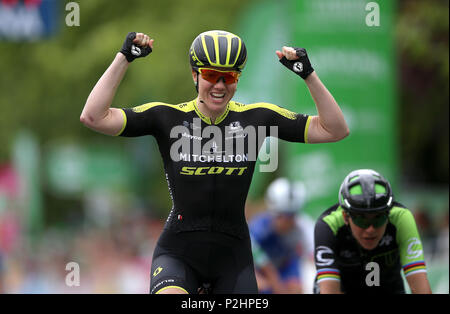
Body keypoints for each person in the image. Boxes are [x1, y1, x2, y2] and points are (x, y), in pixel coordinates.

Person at [80, 30, 349, 294]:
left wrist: (308, 74)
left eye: (228, 77)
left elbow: (334, 130)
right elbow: (94, 116)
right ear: (195, 74)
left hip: (233, 259)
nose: (219, 85)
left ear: (237, 78)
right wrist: (124, 57)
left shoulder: (258, 118)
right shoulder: (166, 117)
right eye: (210, 75)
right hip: (178, 254)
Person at [313, 169, 432, 294]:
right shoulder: (328, 226)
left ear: (388, 214)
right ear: (346, 217)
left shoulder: (401, 219)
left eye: (379, 218)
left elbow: (421, 289)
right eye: (361, 219)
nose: (370, 229)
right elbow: (329, 291)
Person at [250, 177, 315, 294]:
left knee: (295, 288)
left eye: (292, 216)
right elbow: (251, 265)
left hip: (286, 267)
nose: (288, 221)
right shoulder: (256, 229)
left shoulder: (303, 226)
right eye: (283, 216)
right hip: (258, 271)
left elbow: (316, 258)